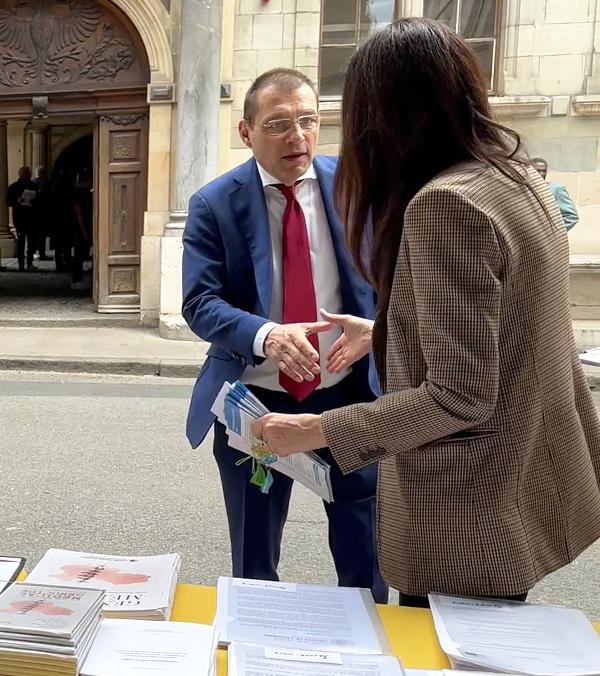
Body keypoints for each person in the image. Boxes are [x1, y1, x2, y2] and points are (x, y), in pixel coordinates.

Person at [252, 20, 600, 607]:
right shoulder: (516, 178)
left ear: (384, 118)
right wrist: (387, 332)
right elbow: (508, 326)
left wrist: (312, 430)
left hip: (470, 509)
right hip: (529, 480)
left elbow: (459, 395)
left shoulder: (445, 204)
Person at [182, 68, 387, 602]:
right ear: (246, 132)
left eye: (308, 120)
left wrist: (379, 331)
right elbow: (200, 303)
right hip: (257, 406)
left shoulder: (358, 185)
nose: (297, 136)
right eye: (277, 124)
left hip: (349, 398)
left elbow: (403, 280)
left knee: (366, 552)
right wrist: (266, 335)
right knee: (254, 554)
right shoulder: (215, 204)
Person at [531, 157, 579, 231]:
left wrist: (554, 233)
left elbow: (571, 217)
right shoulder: (522, 189)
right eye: (538, 171)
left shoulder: (556, 189)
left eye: (544, 171)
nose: (541, 174)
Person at [7, 166, 38, 272]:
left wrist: (33, 202)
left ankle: (27, 263)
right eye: (25, 175)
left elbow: (39, 201)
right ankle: (23, 264)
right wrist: (19, 201)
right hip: (21, 217)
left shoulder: (33, 186)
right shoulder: (14, 187)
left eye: (27, 175)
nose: (27, 176)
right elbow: (9, 202)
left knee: (29, 241)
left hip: (29, 217)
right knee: (23, 241)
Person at [71, 169, 93, 290]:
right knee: (79, 255)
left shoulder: (83, 192)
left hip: (83, 227)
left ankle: (79, 278)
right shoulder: (78, 193)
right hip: (80, 228)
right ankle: (76, 279)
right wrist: (84, 230)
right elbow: (78, 212)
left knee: (81, 254)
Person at [33, 166, 53, 261]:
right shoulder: (47, 183)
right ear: (44, 174)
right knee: (42, 234)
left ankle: (34, 252)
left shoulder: (32, 183)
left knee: (34, 234)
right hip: (44, 212)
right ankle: (41, 253)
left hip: (33, 213)